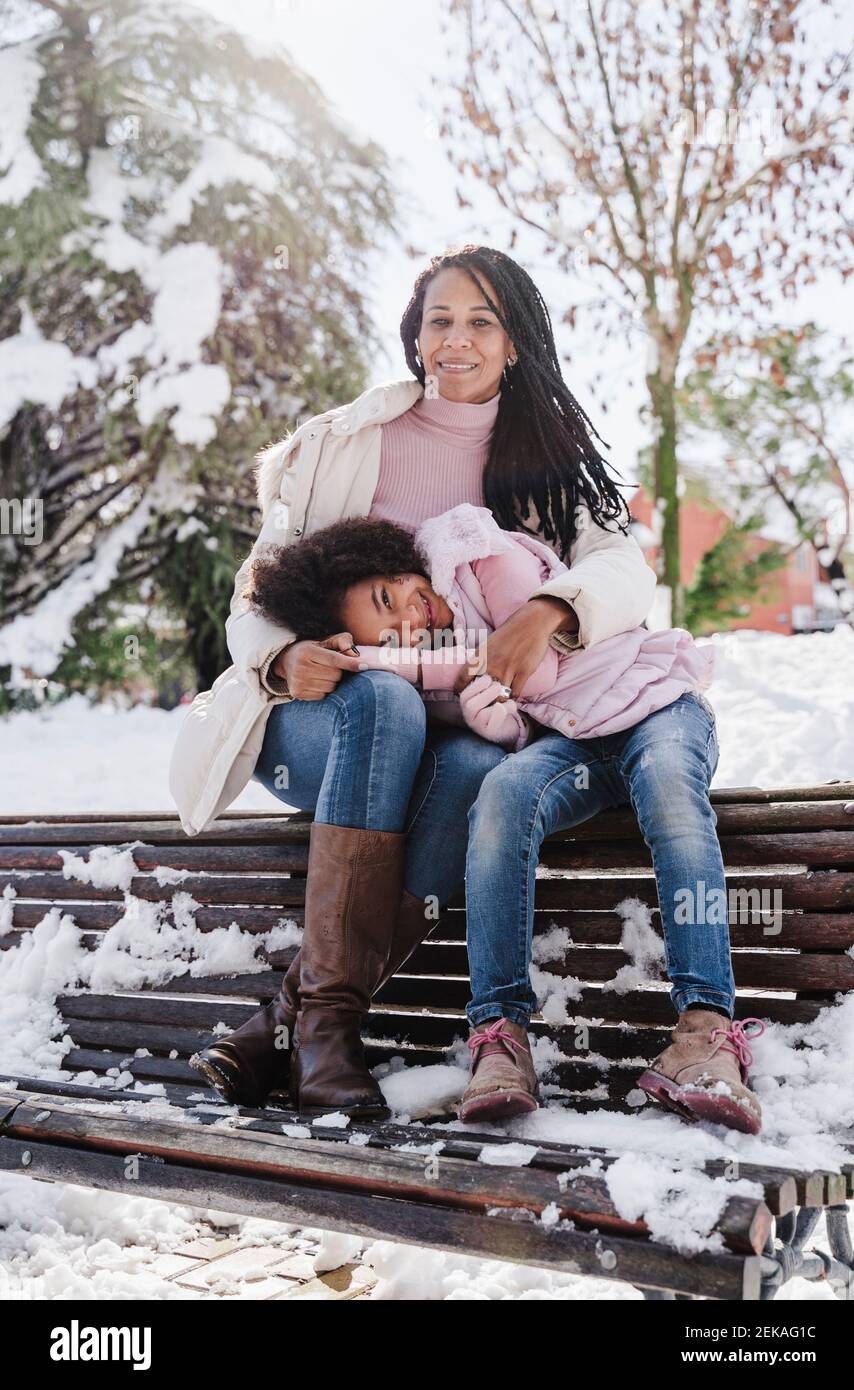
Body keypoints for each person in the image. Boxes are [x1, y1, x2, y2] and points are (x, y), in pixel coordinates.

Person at [169, 244, 657, 1117]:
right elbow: (254, 594)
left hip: (448, 739)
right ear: (414, 336)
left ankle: (296, 1026)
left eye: (482, 321)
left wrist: (551, 609)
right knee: (386, 702)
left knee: (473, 770)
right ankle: (321, 1030)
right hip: (315, 725)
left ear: (516, 343)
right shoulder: (351, 446)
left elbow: (625, 569)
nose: (457, 339)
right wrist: (281, 658)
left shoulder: (548, 468)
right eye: (440, 320)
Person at [238, 501, 764, 1136]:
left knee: (670, 791)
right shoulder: (434, 650)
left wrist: (371, 660)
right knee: (500, 795)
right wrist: (499, 723)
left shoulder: (472, 548)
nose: (409, 619)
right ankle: (499, 1037)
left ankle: (705, 1032)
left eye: (390, 595)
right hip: (573, 739)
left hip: (655, 705)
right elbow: (520, 711)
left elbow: (532, 664)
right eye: (390, 631)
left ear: (392, 563)